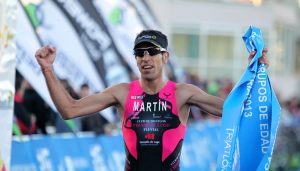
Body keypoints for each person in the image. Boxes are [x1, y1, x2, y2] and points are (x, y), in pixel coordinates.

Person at [35, 29, 269, 171]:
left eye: (151, 51)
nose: (145, 57)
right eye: (140, 52)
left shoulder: (183, 94)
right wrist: (47, 69)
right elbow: (69, 109)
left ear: (165, 56)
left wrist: (254, 71)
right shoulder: (122, 93)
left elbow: (237, 110)